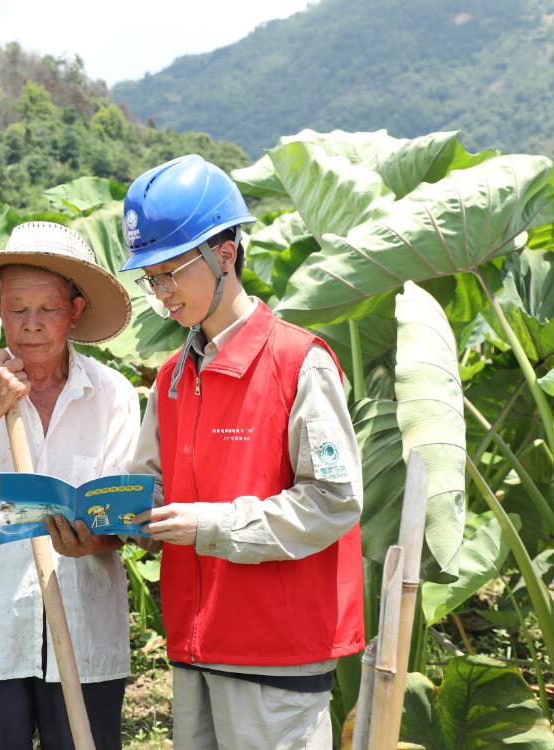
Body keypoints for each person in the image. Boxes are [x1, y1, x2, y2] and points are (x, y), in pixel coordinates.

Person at [124, 155, 365, 749]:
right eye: (150, 279)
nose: (161, 294)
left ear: (224, 255)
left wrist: (209, 524)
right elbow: (153, 485)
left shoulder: (299, 362)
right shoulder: (173, 377)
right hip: (194, 647)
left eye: (170, 273)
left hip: (276, 656)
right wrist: (125, 514)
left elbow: (334, 501)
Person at [0, 221, 139, 750]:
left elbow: (123, 522)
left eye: (47, 310)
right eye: (17, 308)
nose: (31, 325)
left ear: (76, 310)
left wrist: (92, 538)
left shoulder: (110, 394)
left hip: (88, 639)